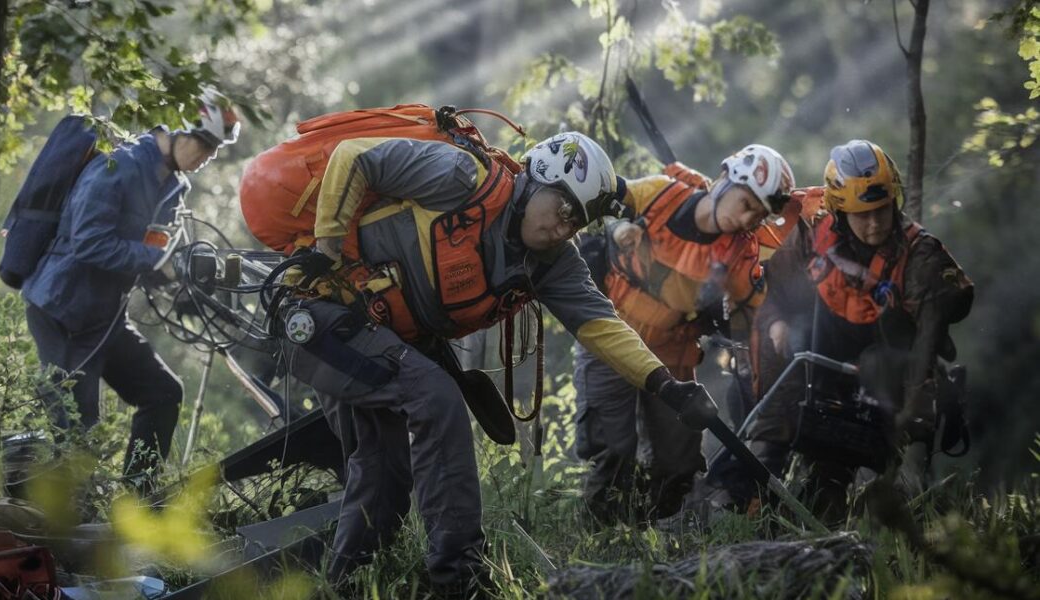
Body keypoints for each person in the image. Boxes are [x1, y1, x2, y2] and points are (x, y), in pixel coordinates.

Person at [277, 131, 716, 597]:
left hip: (377, 335)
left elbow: (602, 326)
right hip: (318, 313)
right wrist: (325, 250)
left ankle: (343, 584)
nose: (564, 229)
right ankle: (460, 577)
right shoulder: (461, 177)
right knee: (434, 394)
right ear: (538, 181)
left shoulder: (553, 262)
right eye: (565, 211)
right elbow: (354, 155)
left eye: (577, 223)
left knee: (386, 474)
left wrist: (668, 387)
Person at [705, 140, 973, 517]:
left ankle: (832, 506)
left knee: (835, 476)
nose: (875, 223)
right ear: (839, 210)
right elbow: (774, 291)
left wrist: (912, 408)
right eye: (862, 214)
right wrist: (778, 321)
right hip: (815, 361)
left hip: (877, 379)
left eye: (881, 210)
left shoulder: (919, 254)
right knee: (783, 354)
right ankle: (751, 493)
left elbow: (934, 332)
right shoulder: (813, 235)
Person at [21, 91, 240, 491]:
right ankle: (66, 528)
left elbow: (152, 250)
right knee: (78, 430)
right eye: (205, 144)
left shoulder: (173, 187)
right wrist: (157, 263)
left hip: (104, 316)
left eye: (215, 149)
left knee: (162, 393)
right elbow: (88, 242)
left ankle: (136, 502)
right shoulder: (116, 166)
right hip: (63, 309)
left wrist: (182, 278)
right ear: (177, 131)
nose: (208, 156)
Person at [572, 146, 795, 524]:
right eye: (745, 204)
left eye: (757, 215)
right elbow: (604, 197)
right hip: (611, 339)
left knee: (679, 465)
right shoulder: (661, 194)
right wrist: (612, 233)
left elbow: (755, 317)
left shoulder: (740, 255)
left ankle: (656, 538)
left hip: (673, 355)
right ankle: (599, 538)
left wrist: (775, 329)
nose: (746, 218)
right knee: (611, 450)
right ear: (726, 179)